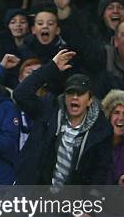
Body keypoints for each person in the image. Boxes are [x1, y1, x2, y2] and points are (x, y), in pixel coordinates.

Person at [13, 50, 113, 192]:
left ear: (90, 100)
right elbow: (20, 94)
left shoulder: (101, 129)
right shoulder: (48, 111)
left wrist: (88, 207)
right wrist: (51, 67)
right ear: (64, 96)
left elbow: (100, 172)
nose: (75, 98)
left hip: (70, 202)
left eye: (80, 94)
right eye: (71, 93)